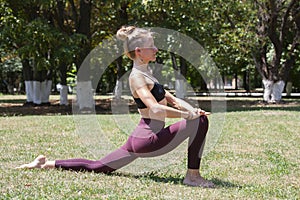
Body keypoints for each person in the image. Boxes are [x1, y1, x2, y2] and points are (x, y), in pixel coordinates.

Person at [17, 26, 215, 188]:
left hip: (139, 138)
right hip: (148, 139)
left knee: (97, 166)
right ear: (139, 52)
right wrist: (188, 116)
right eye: (151, 46)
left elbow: (171, 98)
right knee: (200, 122)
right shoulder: (137, 77)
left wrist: (192, 111)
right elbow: (155, 109)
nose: (156, 49)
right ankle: (192, 176)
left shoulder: (147, 74)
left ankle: (45, 164)